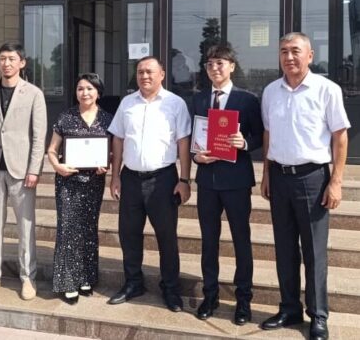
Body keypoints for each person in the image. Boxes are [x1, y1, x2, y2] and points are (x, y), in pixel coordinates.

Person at [261, 32, 350, 340]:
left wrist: (336, 181)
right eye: (283, 51)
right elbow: (268, 134)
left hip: (313, 178)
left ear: (310, 55)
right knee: (284, 248)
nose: (289, 57)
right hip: (280, 178)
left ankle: (318, 315)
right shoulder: (271, 91)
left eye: (295, 51)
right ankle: (289, 308)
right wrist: (266, 174)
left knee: (314, 252)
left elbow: (340, 137)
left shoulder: (327, 89)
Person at [107, 56, 191, 312]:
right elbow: (118, 139)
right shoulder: (127, 103)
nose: (144, 76)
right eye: (140, 72)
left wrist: (184, 180)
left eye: (149, 72)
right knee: (129, 234)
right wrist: (115, 175)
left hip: (163, 179)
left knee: (166, 237)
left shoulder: (175, 104)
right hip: (131, 178)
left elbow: (184, 142)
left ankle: (171, 288)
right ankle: (133, 283)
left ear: (161, 75)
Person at [191, 44, 263, 324]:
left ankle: (243, 299)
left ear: (232, 66)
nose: (214, 68)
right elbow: (193, 138)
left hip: (236, 181)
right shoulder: (198, 99)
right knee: (208, 241)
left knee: (241, 240)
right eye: (209, 64)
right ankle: (210, 296)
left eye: (220, 63)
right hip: (207, 181)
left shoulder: (248, 99)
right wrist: (196, 157)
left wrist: (244, 143)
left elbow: (260, 136)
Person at [0, 42, 47, 300]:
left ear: (22, 63)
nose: (6, 63)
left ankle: (28, 277)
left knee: (25, 226)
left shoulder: (34, 94)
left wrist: (34, 169)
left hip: (22, 171)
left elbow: (38, 136)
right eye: (2, 58)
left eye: (12, 59)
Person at [47, 73, 112, 304]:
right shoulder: (65, 117)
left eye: (89, 88)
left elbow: (113, 152)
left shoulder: (107, 119)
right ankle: (67, 281)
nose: (85, 93)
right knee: (67, 228)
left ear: (98, 93)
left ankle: (86, 276)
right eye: (80, 89)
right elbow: (52, 150)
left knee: (88, 228)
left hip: (94, 182)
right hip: (68, 181)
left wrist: (106, 164)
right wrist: (57, 166)